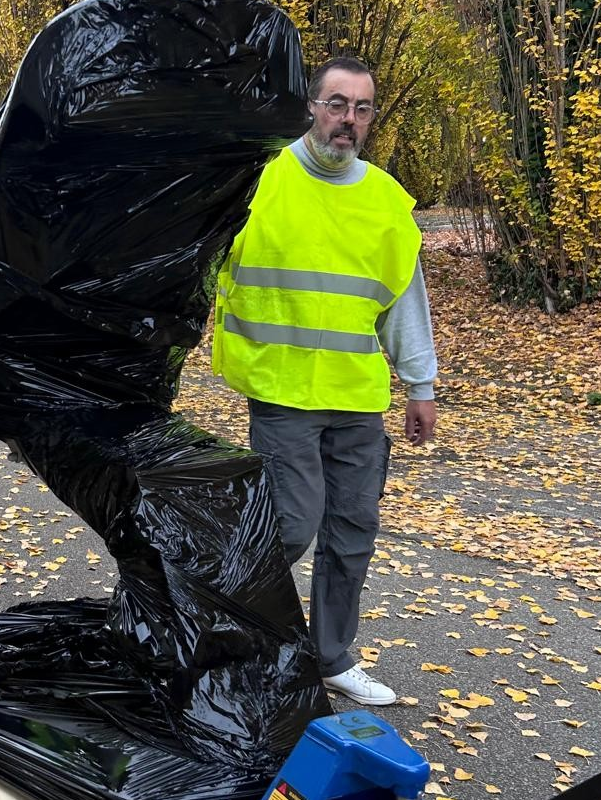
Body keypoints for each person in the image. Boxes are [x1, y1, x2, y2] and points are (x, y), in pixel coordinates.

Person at [211, 56, 437, 706]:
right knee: (291, 525)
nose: (348, 119)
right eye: (337, 104)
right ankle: (222, 628)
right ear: (311, 107)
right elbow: (199, 263)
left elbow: (405, 301)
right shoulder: (260, 182)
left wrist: (421, 386)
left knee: (353, 530)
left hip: (356, 397)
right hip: (281, 390)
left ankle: (331, 657)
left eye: (362, 108)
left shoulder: (385, 201)